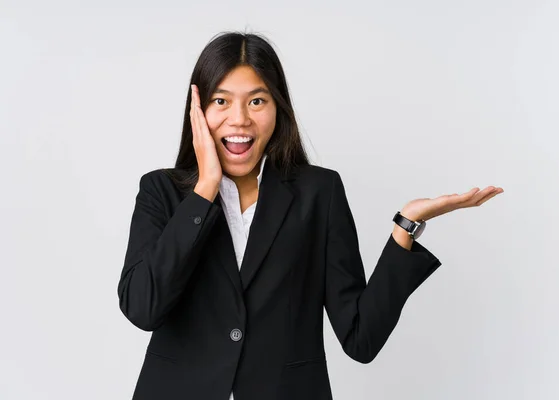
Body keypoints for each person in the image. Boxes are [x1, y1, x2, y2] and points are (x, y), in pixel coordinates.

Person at [117, 31, 503, 400]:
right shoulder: (161, 192)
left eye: (256, 101)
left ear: (278, 107)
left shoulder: (319, 193)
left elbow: (360, 338)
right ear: (198, 111)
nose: (239, 119)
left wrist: (406, 226)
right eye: (221, 101)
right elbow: (142, 307)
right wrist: (204, 191)